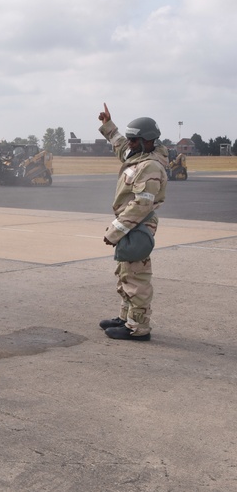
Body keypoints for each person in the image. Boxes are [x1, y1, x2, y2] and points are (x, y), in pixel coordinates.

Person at [97, 103, 168, 341]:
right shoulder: (137, 155)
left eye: (134, 140)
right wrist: (108, 125)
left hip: (137, 225)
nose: (130, 143)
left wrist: (114, 232)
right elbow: (120, 146)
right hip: (129, 224)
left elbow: (141, 205)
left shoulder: (150, 167)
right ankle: (126, 317)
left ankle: (138, 328)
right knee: (126, 272)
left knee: (137, 277)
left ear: (148, 141)